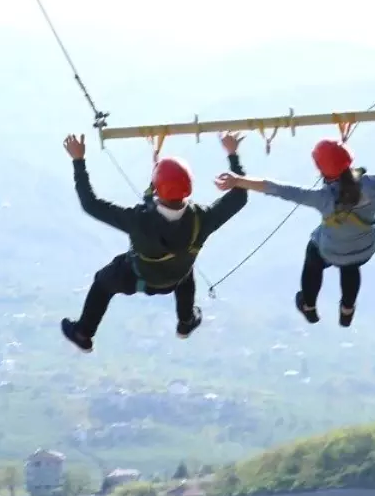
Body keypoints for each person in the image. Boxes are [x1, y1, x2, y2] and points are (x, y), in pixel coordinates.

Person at [215, 138, 375, 326]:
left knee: (314, 254)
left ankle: (308, 304)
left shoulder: (322, 199)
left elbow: (275, 187)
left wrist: (238, 181)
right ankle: (347, 308)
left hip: (331, 250)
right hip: (365, 248)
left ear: (321, 170)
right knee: (351, 264)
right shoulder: (374, 185)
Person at [60, 131, 249, 352]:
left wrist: (78, 160)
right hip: (175, 278)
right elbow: (239, 196)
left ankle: (84, 333)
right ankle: (186, 322)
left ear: (158, 189)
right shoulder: (202, 220)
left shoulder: (139, 220)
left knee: (102, 283)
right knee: (186, 265)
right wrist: (233, 154)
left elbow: (91, 204)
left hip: (136, 276)